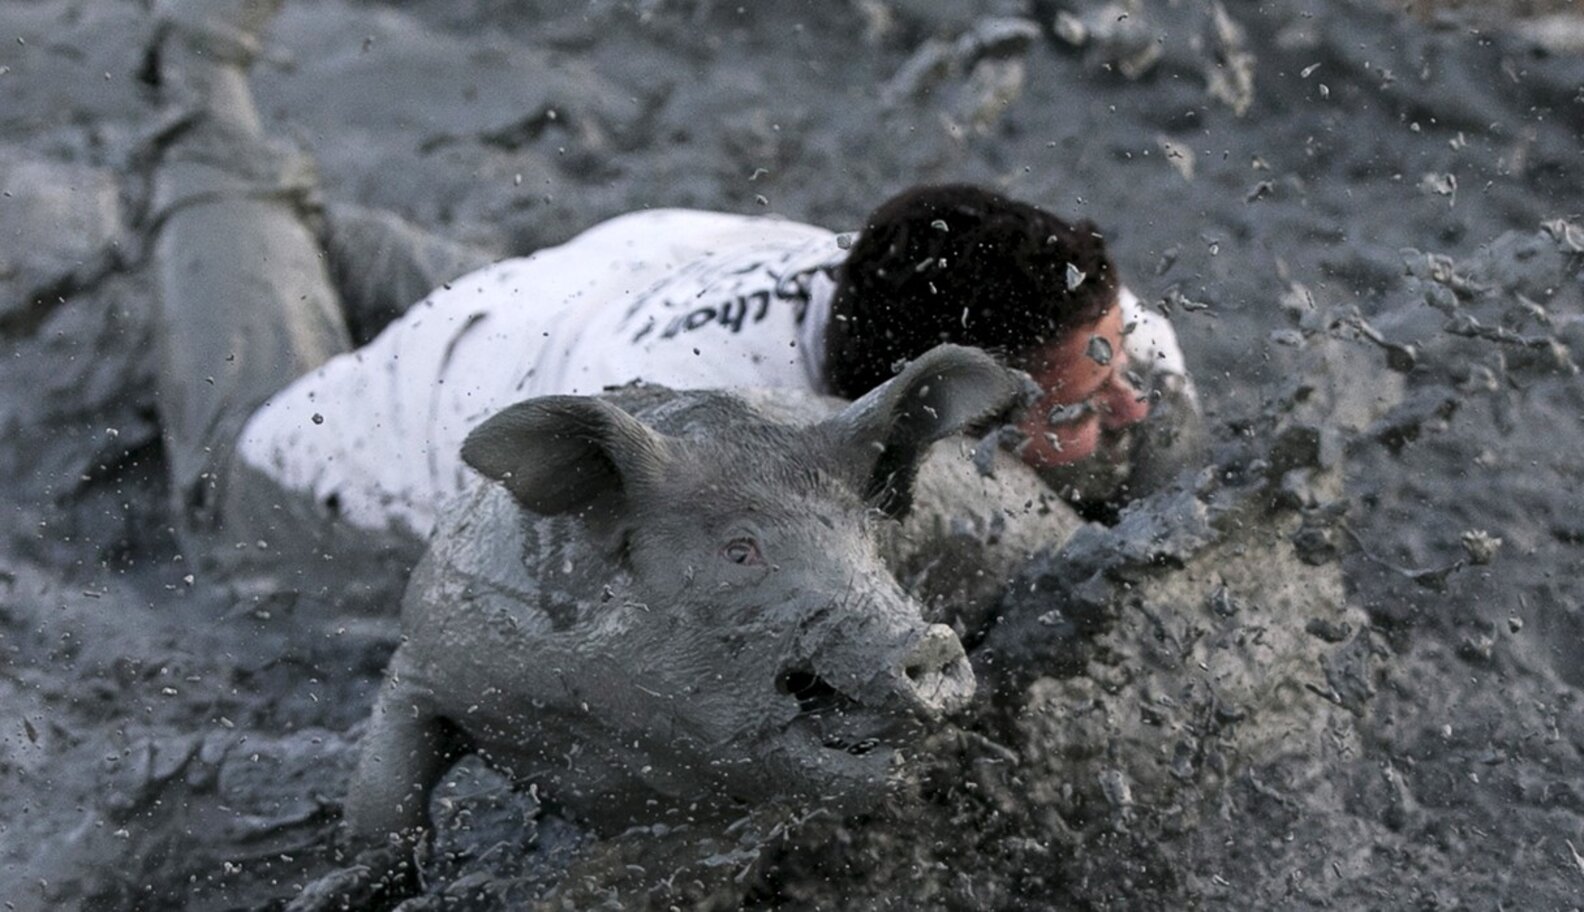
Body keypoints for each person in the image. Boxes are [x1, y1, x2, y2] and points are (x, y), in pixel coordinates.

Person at [148, 1, 1200, 599]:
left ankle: (306, 219)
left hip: (566, 293)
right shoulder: (716, 465)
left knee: (340, 246)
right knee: (234, 292)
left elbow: (1141, 395)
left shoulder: (1034, 287)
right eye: (1081, 405)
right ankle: (196, 85)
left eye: (1113, 361)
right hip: (351, 444)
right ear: (930, 402)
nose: (1132, 404)